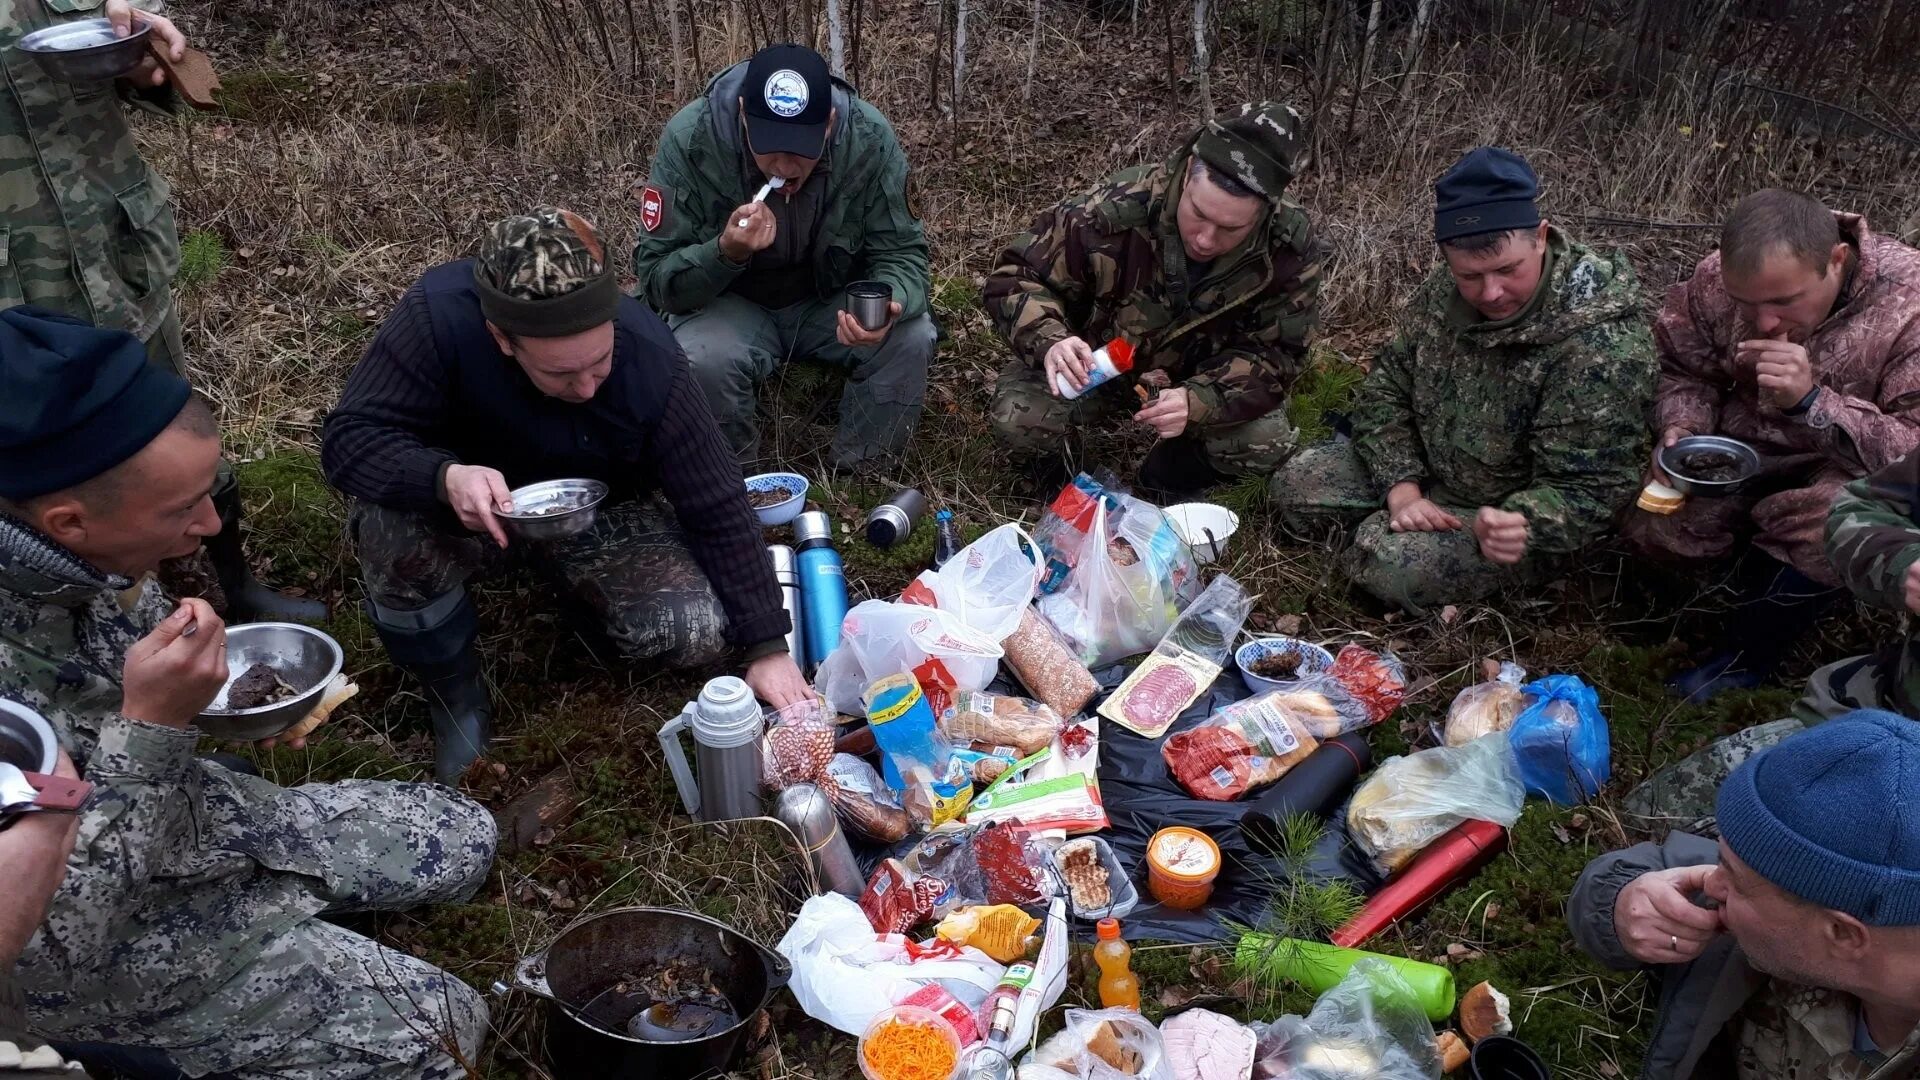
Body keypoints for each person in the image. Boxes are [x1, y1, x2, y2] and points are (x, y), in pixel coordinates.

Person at [0, 306, 496, 1079]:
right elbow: (47, 933)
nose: (207, 524)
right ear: (68, 522)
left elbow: (114, 695)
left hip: (189, 822)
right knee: (447, 1032)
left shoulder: (61, 555)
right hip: (81, 955)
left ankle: (274, 920)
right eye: (179, 510)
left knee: (466, 836)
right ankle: (106, 1055)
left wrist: (215, 709)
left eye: (208, 491)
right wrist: (153, 729)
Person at [324, 208, 809, 782]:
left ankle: (576, 600)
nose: (584, 388)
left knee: (694, 628)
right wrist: (442, 477)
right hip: (466, 511)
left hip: (596, 516)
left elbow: (716, 499)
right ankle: (454, 698)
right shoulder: (437, 321)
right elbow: (349, 441)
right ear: (502, 338)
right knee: (388, 528)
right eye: (560, 375)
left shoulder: (650, 356)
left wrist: (766, 644)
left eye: (600, 363)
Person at [1, 0, 320, 623]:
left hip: (116, 258)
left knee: (173, 440)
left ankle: (232, 593)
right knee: (36, 486)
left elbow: (144, 68)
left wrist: (143, 53)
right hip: (15, 304)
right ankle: (78, 642)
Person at [1270, 147, 1655, 610]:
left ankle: (1397, 543)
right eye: (1470, 276)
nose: (1490, 293)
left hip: (1503, 519)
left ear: (1540, 237)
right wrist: (1402, 488)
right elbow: (1388, 388)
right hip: (1430, 473)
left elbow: (1596, 488)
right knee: (1296, 486)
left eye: (1508, 270)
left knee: (1388, 564)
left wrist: (1522, 522)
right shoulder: (1442, 293)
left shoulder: (1600, 343)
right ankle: (1390, 524)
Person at [1622, 189, 1920, 702]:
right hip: (1735, 451)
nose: (1764, 323)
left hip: (1840, 469)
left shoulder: (1909, 305)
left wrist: (1812, 403)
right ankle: (1672, 618)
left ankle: (1745, 660)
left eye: (1784, 302)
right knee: (1657, 516)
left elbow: (1913, 454)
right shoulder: (1721, 277)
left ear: (1836, 260)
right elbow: (1680, 368)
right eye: (1747, 305)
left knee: (1826, 521)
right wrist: (1683, 430)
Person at [983, 101, 1326, 500]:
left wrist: (1200, 400)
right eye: (1197, 213)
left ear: (1264, 214)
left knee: (1264, 441)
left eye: (1230, 229)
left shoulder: (1288, 248)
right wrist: (1051, 340)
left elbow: (1278, 355)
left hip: (1197, 381)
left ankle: (1167, 476)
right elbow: (1016, 278)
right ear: (1187, 177)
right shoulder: (1113, 209)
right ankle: (1063, 485)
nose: (1205, 239)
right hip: (1097, 366)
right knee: (1020, 416)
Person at [632, 43, 935, 468]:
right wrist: (724, 252)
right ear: (742, 114)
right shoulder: (693, 140)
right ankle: (732, 485)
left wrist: (890, 302)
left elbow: (903, 252)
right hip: (729, 305)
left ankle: (864, 477)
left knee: (911, 335)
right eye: (769, 145)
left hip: (828, 301)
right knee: (704, 358)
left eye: (801, 147)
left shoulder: (866, 138)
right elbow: (658, 278)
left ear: (828, 124)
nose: (784, 166)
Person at [1570, 712, 1920, 1077]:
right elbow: (1624, 878)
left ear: (1843, 934)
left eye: (1733, 877)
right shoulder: (1791, 897)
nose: (1711, 884)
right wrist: (1620, 904)